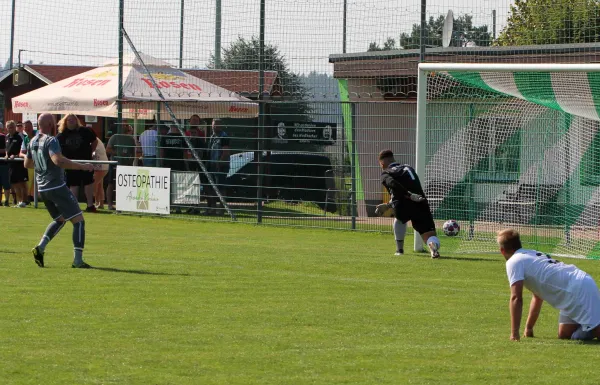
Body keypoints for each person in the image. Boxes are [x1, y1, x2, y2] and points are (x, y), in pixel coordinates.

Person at [498, 228, 600, 341]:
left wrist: (514, 334)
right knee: (565, 335)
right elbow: (537, 296)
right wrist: (529, 328)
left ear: (502, 250)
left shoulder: (514, 261)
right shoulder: (530, 253)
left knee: (593, 333)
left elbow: (516, 298)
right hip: (576, 285)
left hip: (578, 290)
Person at [24, 113, 94, 268]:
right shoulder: (51, 140)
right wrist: (83, 166)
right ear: (50, 124)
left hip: (42, 187)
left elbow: (27, 164)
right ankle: (78, 261)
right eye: (54, 122)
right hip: (56, 186)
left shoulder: (33, 141)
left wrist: (43, 166)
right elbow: (59, 160)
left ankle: (40, 248)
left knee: (60, 219)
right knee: (79, 221)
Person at [376, 149, 440, 258]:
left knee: (399, 219)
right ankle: (432, 246)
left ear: (382, 164)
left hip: (403, 205)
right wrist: (388, 205)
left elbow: (394, 185)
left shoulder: (386, 173)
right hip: (420, 201)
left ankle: (399, 250)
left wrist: (408, 195)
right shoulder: (408, 168)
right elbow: (412, 187)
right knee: (429, 235)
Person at [56, 114, 98, 212]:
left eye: (73, 119)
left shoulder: (85, 131)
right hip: (70, 163)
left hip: (85, 161)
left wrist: (91, 151)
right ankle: (74, 206)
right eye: (69, 119)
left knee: (88, 183)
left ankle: (90, 205)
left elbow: (95, 141)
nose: (71, 121)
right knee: (73, 184)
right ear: (65, 121)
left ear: (77, 121)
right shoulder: (61, 135)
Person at [106, 124, 140, 210]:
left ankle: (124, 204)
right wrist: (118, 154)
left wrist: (131, 162)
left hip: (126, 165)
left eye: (126, 125)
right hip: (115, 164)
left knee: (125, 185)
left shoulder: (131, 139)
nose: (125, 127)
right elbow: (108, 149)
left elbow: (133, 152)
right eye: (123, 125)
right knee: (111, 184)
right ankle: (110, 204)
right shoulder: (114, 137)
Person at [206, 118, 231, 215]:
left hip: (221, 166)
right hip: (211, 164)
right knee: (211, 187)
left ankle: (222, 209)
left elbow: (226, 152)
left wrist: (219, 163)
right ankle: (212, 208)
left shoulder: (224, 137)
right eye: (214, 124)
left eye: (217, 124)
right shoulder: (212, 136)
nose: (215, 126)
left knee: (220, 187)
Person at [5, 120, 29, 207]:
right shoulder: (7, 137)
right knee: (14, 183)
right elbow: (7, 149)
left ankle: (24, 201)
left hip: (19, 163)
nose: (10, 129)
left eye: (11, 127)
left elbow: (22, 150)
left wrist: (15, 156)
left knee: (21, 183)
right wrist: (7, 155)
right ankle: (19, 202)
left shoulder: (19, 137)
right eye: (8, 127)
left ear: (14, 127)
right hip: (11, 164)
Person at [20, 120, 37, 203]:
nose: (27, 128)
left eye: (29, 126)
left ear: (32, 127)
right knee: (29, 181)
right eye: (25, 127)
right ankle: (29, 198)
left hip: (40, 162)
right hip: (31, 163)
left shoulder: (38, 134)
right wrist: (26, 156)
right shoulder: (25, 138)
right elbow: (21, 152)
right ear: (23, 128)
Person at [92, 138, 109, 209]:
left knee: (94, 183)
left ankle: (91, 203)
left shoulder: (93, 140)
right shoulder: (97, 140)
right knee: (99, 185)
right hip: (102, 165)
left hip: (101, 166)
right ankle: (100, 203)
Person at [0, 124, 9, 206]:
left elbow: (6, 149)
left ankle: (6, 201)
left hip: (3, 163)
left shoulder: (3, 137)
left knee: (6, 184)